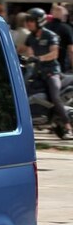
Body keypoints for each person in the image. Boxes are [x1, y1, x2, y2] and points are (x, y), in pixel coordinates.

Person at [24, 7, 72, 139]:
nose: (28, 23)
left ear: (39, 21)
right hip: (37, 73)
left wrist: (39, 58)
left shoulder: (50, 35)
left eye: (31, 20)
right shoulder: (30, 37)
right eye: (27, 20)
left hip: (52, 72)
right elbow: (28, 53)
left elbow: (54, 54)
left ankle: (68, 127)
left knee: (55, 97)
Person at [47, 4, 73, 71]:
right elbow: (71, 50)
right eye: (66, 15)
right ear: (63, 16)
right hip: (61, 66)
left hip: (44, 66)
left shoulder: (44, 27)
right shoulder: (66, 28)